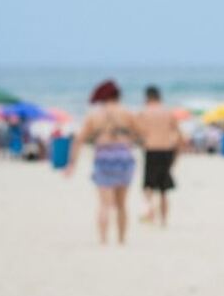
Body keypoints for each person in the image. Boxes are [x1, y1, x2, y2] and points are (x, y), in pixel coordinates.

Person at [65, 80, 138, 245]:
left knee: (104, 204)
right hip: (123, 155)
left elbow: (79, 140)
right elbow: (139, 133)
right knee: (121, 204)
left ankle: (103, 240)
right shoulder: (126, 112)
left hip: (103, 156)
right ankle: (121, 240)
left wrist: (72, 164)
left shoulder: (94, 115)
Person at [137, 85, 182, 226]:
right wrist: (176, 155)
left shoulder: (144, 113)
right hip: (166, 151)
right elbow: (179, 136)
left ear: (147, 97)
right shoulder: (168, 113)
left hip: (151, 150)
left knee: (148, 186)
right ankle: (163, 220)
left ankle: (149, 212)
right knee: (164, 190)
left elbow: (138, 134)